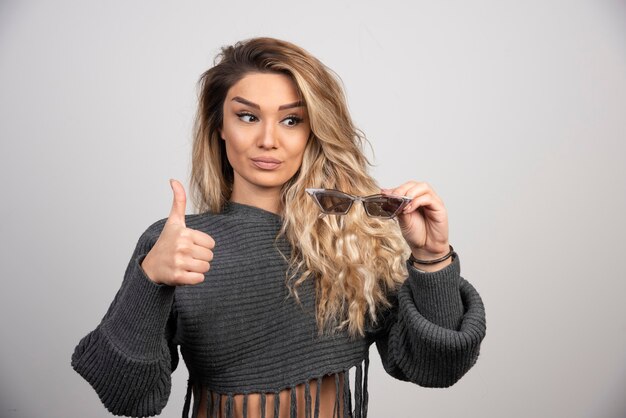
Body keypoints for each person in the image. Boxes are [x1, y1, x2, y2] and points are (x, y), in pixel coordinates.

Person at [71, 36, 487, 418]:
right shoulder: (180, 244)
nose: (268, 139)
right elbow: (127, 397)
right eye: (248, 116)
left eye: (291, 121)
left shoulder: (355, 240)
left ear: (313, 130)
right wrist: (149, 280)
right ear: (220, 126)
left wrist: (433, 258)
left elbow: (436, 368)